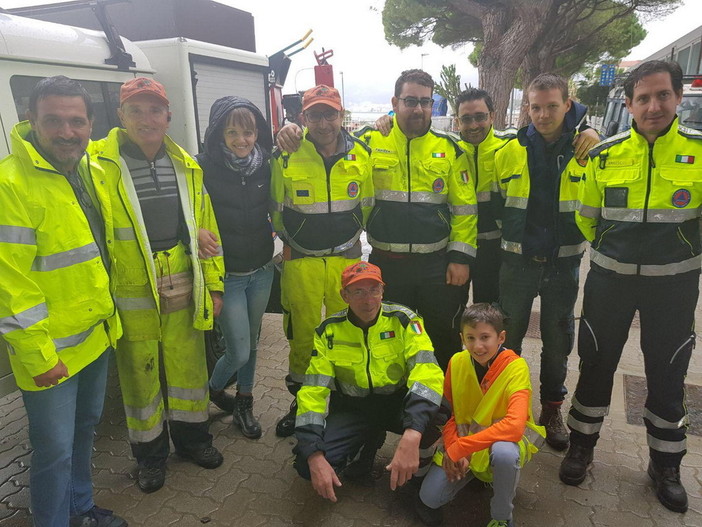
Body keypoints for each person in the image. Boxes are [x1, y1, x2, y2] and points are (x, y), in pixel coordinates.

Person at [560, 60, 702, 514]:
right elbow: (586, 215)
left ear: (678, 98)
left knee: (668, 371)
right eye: (643, 97)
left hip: (674, 288)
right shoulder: (605, 154)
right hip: (609, 282)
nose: (653, 105)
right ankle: (582, 446)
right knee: (596, 362)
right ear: (629, 104)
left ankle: (666, 464)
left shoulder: (699, 151)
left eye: (662, 95)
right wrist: (609, 248)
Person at [278, 70, 478, 371]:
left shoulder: (451, 149)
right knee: (388, 338)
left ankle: (445, 403)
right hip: (387, 265)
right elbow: (329, 144)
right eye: (410, 101)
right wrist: (289, 131)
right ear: (395, 102)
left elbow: (465, 209)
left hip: (435, 266)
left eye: (426, 101)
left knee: (442, 336)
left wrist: (460, 258)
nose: (418, 109)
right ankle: (395, 403)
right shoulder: (370, 142)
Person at [0, 76, 126, 526]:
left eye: (76, 121)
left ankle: (81, 508)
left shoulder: (90, 169)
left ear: (91, 124)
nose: (66, 131)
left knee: (84, 432)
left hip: (94, 337)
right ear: (31, 119)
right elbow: (8, 284)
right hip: (50, 353)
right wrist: (39, 355)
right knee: (53, 449)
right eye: (54, 120)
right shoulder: (9, 184)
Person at [89, 77, 225, 493]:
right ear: (120, 115)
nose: (146, 118)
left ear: (168, 115)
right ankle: (150, 458)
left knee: (188, 369)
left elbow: (206, 226)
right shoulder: (96, 164)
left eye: (154, 110)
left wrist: (215, 286)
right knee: (139, 377)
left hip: (182, 276)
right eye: (136, 109)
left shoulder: (186, 164)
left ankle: (194, 442)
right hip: (131, 289)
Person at [493, 73, 593, 451]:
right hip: (516, 265)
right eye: (536, 107)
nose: (544, 114)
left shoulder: (587, 148)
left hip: (563, 265)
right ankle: (507, 407)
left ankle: (550, 410)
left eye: (552, 106)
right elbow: (494, 203)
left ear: (568, 105)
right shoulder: (510, 150)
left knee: (557, 343)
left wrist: (593, 132)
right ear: (527, 108)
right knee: (508, 340)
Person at [293, 261, 445, 504]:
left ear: (383, 291)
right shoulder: (327, 331)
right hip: (354, 408)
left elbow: (427, 373)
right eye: (359, 291)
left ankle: (420, 476)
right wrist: (313, 452)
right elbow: (313, 392)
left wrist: (413, 432)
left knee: (436, 420)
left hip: (398, 404)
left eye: (374, 290)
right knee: (305, 465)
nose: (368, 299)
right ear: (344, 295)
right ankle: (367, 443)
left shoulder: (405, 320)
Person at [270, 84, 374, 437]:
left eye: (330, 113)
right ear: (303, 118)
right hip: (301, 262)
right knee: (302, 338)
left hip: (346, 261)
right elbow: (275, 207)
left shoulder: (362, 152)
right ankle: (300, 405)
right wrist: (289, 241)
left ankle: (341, 406)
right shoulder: (286, 153)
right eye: (315, 114)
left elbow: (369, 205)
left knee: (344, 336)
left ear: (341, 115)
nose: (323, 122)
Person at [415, 304, 545, 527]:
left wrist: (459, 449)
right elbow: (449, 414)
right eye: (470, 337)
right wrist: (453, 443)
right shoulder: (457, 362)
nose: (478, 345)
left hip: (499, 444)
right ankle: (475, 475)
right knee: (429, 498)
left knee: (504, 454)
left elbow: (514, 428)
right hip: (467, 443)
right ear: (462, 338)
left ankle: (502, 516)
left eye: (485, 337)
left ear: (501, 337)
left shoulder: (516, 367)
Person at [196, 96, 275, 439]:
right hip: (227, 275)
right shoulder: (201, 168)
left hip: (261, 269)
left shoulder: (266, 165)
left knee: (253, 345)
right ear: (219, 134)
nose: (242, 140)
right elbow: (183, 207)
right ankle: (212, 389)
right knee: (238, 349)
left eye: (248, 132)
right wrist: (194, 230)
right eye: (232, 132)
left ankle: (244, 402)